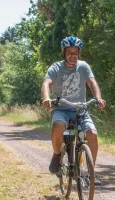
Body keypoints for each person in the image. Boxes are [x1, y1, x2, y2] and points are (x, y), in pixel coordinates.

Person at [41, 36, 106, 184]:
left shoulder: (83, 66)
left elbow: (92, 83)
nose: (73, 55)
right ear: (63, 53)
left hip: (80, 109)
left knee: (93, 134)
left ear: (79, 53)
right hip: (61, 109)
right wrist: (46, 98)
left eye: (75, 52)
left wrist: (98, 98)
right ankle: (57, 156)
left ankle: (90, 173)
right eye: (69, 52)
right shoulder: (56, 67)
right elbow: (47, 83)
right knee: (58, 126)